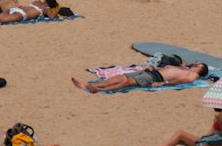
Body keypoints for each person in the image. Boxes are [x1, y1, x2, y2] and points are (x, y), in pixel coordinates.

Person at [73, 62, 209, 93]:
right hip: (153, 72)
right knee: (121, 76)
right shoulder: (185, 69)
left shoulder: (193, 75)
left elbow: (183, 81)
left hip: (156, 78)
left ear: (200, 68)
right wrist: (153, 67)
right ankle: (90, 86)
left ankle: (98, 89)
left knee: (126, 82)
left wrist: (164, 83)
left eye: (198, 64)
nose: (195, 63)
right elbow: (169, 70)